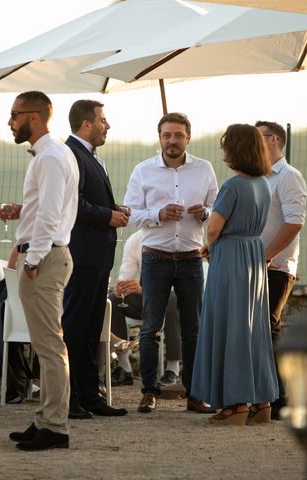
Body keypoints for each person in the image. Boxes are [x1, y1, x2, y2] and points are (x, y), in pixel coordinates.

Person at [124, 112, 218, 414]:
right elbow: (129, 214)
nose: (172, 141)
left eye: (178, 135)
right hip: (155, 258)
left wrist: (203, 212)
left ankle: (194, 394)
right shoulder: (142, 171)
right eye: (167, 135)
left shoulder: (204, 169)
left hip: (191, 259)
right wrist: (158, 214)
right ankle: (149, 392)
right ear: (159, 137)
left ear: (188, 138)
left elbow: (217, 209)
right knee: (151, 328)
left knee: (194, 330)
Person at [191, 123, 279, 426]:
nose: (223, 148)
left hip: (229, 257)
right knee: (252, 329)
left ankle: (236, 403)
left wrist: (208, 245)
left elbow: (214, 227)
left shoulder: (233, 186)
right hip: (253, 254)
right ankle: (261, 401)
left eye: (226, 143)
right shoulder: (263, 184)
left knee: (229, 326)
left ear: (236, 149)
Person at [5, 91, 78, 451]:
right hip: (47, 254)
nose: (10, 121)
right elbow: (47, 209)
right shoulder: (52, 153)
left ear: (35, 116)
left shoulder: (49, 156)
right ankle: (44, 419)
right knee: (45, 344)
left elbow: (50, 215)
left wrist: (31, 259)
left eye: (15, 115)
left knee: (50, 346)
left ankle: (55, 427)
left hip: (45, 259)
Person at [61, 99, 129, 420]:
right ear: (87, 124)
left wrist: (116, 212)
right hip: (83, 256)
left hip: (97, 256)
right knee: (76, 328)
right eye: (103, 119)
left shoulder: (90, 156)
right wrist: (108, 217)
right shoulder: (72, 154)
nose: (108, 125)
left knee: (91, 329)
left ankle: (90, 395)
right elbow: (74, 204)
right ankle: (71, 397)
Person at [255, 121, 307, 419]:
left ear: (273, 140)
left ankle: (281, 398)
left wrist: (267, 255)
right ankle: (270, 395)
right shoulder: (260, 176)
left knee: (267, 327)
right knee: (261, 329)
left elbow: (295, 222)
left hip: (277, 266)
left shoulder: (289, 177)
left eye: (258, 137)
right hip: (257, 264)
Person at [108, 229, 183, 387]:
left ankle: (173, 369)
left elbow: (178, 286)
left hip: (171, 299)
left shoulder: (175, 237)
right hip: (145, 299)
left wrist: (143, 288)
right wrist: (122, 286)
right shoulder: (135, 240)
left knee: (172, 299)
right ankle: (124, 367)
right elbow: (126, 274)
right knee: (113, 300)